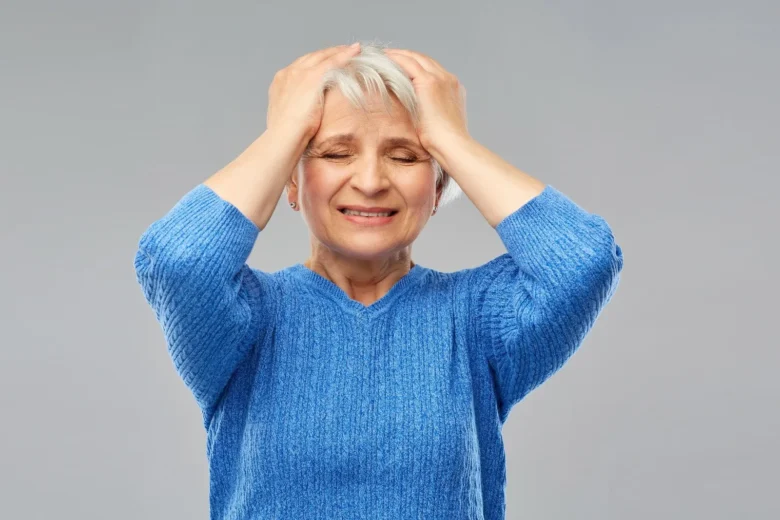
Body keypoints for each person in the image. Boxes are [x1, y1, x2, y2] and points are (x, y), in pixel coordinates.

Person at [133, 41, 624, 520]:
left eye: (406, 157)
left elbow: (584, 261)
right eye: (335, 153)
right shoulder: (246, 322)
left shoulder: (474, 321)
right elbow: (177, 260)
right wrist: (284, 132)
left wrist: (450, 138)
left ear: (437, 186)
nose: (370, 180)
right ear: (289, 180)